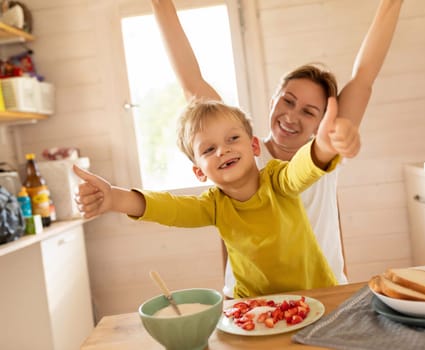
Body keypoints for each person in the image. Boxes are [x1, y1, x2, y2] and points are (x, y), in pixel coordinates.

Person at [150, 0, 403, 297]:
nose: (292, 116)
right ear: (273, 101)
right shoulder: (240, 152)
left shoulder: (324, 152)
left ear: (322, 122)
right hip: (251, 300)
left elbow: (364, 76)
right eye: (287, 101)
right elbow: (192, 83)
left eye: (309, 112)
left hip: (323, 292)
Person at [74, 97, 360, 298]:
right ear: (199, 172)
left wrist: (322, 147)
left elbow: (301, 170)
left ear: (254, 146)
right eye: (209, 149)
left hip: (317, 294)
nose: (222, 150)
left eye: (232, 139)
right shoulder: (212, 206)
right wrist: (112, 198)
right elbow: (168, 208)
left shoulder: (277, 179)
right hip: (255, 307)